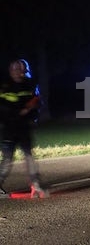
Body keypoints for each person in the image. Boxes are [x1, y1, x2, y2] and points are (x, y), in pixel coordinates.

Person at [0, 59, 48, 199]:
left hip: (24, 127)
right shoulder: (5, 85)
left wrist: (30, 109)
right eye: (13, 69)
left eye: (18, 70)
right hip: (8, 127)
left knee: (29, 156)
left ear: (23, 71)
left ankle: (35, 185)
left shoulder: (30, 85)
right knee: (8, 158)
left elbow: (38, 101)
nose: (16, 72)